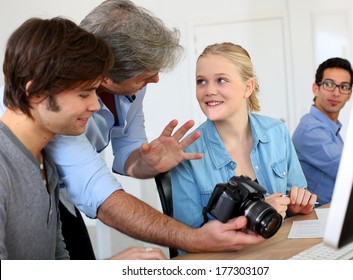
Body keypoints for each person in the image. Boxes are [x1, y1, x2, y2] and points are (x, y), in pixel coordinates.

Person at [0, 0, 265, 259]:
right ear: (107, 75)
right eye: (84, 94)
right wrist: (194, 238)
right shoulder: (36, 139)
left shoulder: (47, 166)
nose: (154, 79)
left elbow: (128, 150)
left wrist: (145, 161)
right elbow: (96, 189)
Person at [170, 42, 317, 251]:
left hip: (278, 253)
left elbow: (297, 195)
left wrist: (296, 206)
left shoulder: (277, 132)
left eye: (221, 80)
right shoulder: (186, 153)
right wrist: (251, 219)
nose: (209, 90)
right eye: (201, 81)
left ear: (248, 87)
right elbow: (189, 238)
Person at [0, 17, 114, 259]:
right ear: (36, 93)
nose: (95, 105)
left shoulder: (44, 160)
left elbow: (57, 258)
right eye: (84, 94)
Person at [292, 57, 353, 206]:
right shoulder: (312, 130)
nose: (336, 93)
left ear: (349, 94)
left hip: (337, 210)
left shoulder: (330, 128)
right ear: (316, 88)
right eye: (329, 84)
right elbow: (350, 171)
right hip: (318, 217)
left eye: (344, 87)